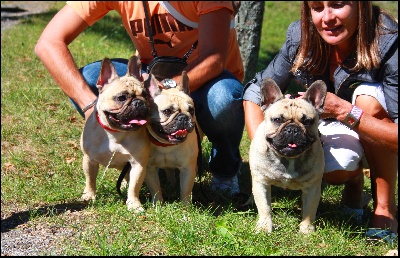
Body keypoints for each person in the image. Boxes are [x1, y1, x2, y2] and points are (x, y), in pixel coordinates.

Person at [35, 2, 245, 196]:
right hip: (150, 73)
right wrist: (91, 105)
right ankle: (140, 154)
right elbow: (48, 43)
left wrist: (164, 88)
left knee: (223, 99)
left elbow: (214, 58)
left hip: (207, 77)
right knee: (89, 80)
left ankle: (224, 170)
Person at [243, 1, 397, 243]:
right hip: (320, 123)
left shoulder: (388, 42)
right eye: (317, 7)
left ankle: (384, 210)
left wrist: (344, 110)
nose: (327, 17)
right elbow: (255, 90)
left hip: (369, 123)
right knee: (336, 169)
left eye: (337, 5)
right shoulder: (300, 36)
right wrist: (262, 150)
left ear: (361, 6)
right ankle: (354, 180)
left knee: (368, 98)